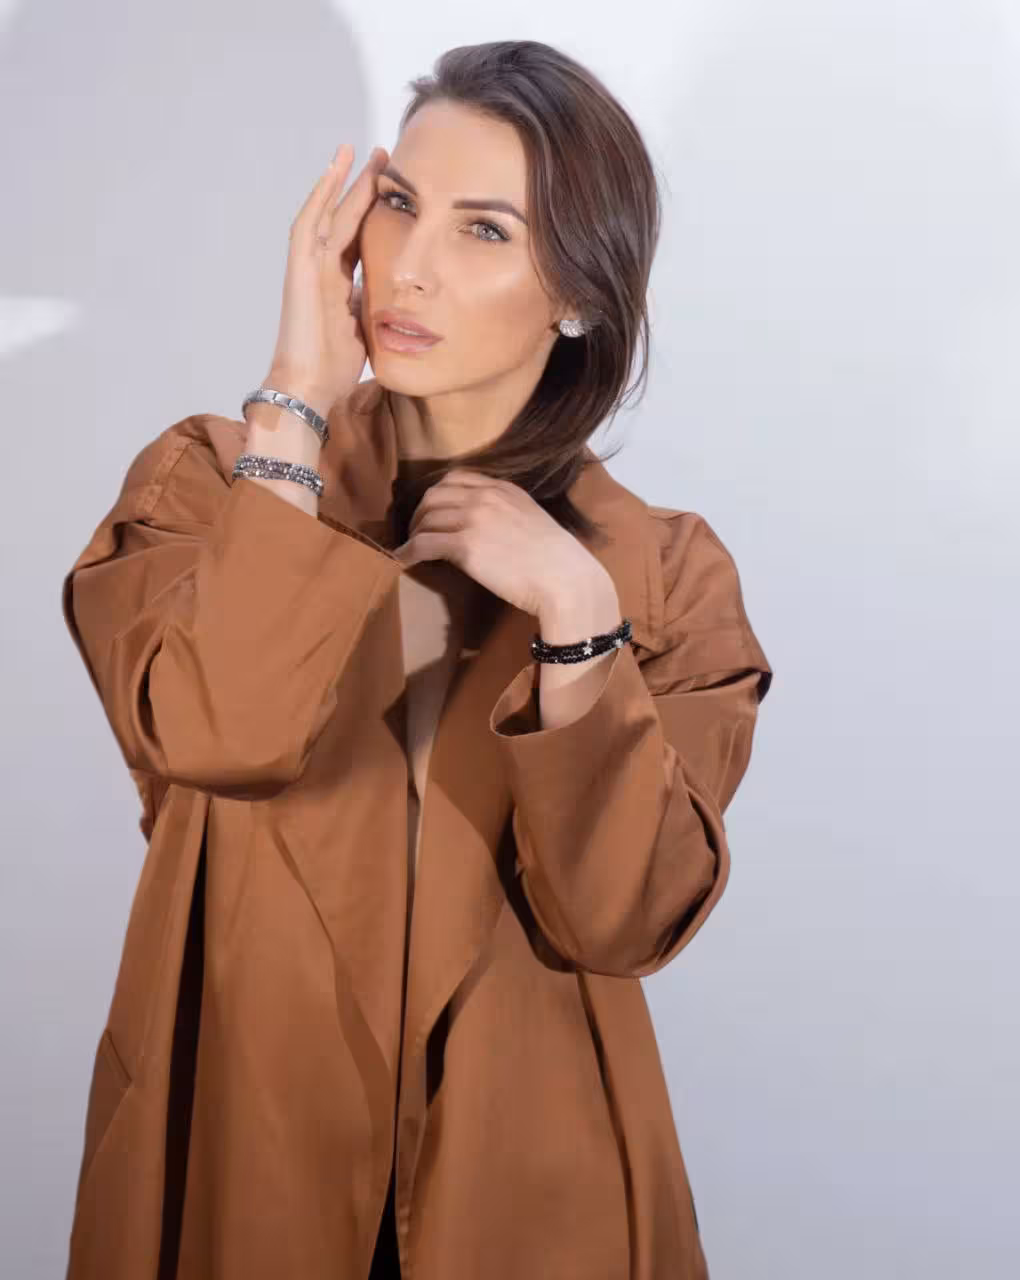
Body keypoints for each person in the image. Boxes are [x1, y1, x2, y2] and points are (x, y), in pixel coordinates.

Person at [60, 39, 772, 1280]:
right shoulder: (211, 490)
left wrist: (577, 615)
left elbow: (622, 917)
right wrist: (294, 401)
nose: (411, 266)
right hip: (240, 1150)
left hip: (531, 1191)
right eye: (398, 204)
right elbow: (219, 730)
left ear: (578, 292)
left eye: (484, 229)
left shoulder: (659, 576)